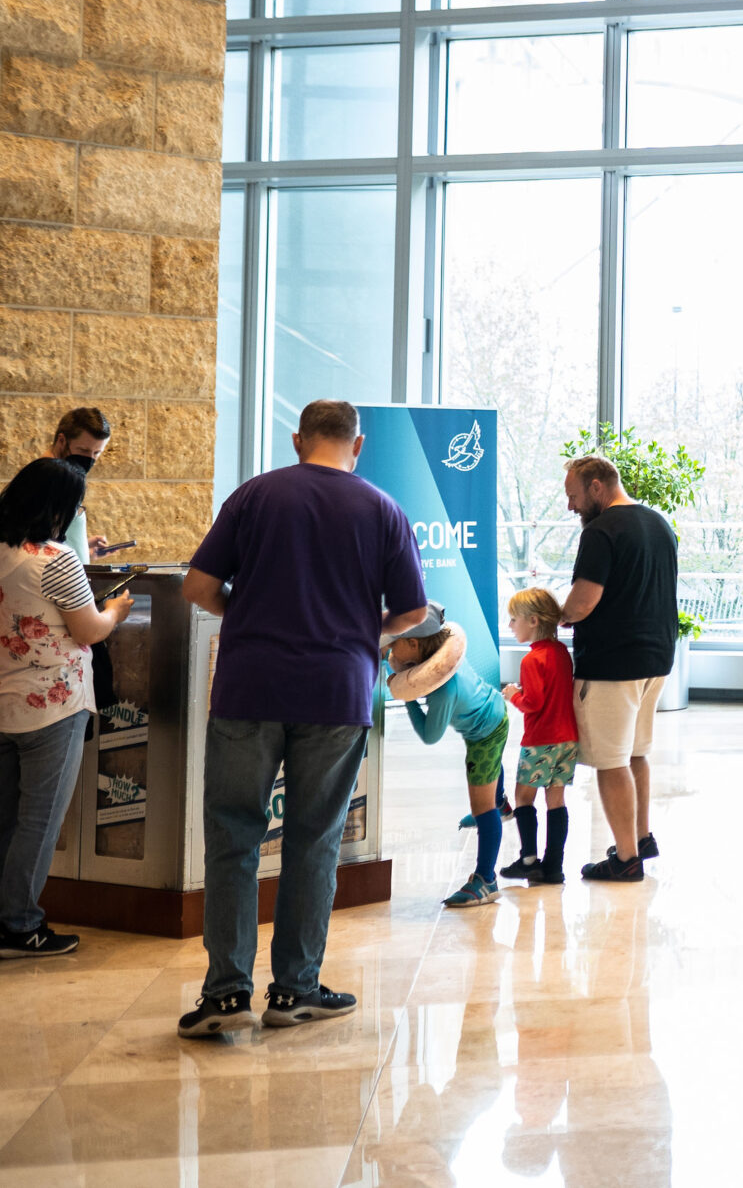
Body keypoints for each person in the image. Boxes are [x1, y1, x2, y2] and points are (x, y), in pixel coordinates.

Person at [180, 400, 429, 1036]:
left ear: (297, 439)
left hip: (249, 687)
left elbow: (198, 587)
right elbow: (411, 613)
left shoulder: (255, 496)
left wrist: (247, 614)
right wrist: (360, 633)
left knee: (233, 837)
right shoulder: (382, 509)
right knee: (313, 840)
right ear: (359, 443)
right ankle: (294, 992)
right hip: (336, 693)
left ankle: (225, 996)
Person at [0, 458, 134, 959]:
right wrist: (116, 609)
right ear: (58, 507)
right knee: (40, 820)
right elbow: (88, 630)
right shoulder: (55, 559)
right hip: (53, 706)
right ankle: (20, 925)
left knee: (6, 819)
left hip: (4, 699)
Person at [557, 455, 680, 883]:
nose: (571, 506)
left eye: (573, 495)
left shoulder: (601, 531)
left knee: (611, 761)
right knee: (636, 752)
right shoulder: (658, 523)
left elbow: (584, 601)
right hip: (657, 657)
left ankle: (626, 858)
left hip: (613, 663)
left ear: (596, 487)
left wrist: (557, 614)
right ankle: (641, 838)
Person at [383, 616, 513, 909]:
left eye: (394, 643)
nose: (390, 650)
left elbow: (431, 735)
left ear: (414, 644)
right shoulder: (442, 659)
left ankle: (486, 880)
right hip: (494, 708)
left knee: (482, 807)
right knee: (492, 773)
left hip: (485, 733)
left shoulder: (443, 689)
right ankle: (501, 800)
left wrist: (409, 697)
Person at [500, 588, 576, 885]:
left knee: (523, 797)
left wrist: (513, 695)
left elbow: (533, 703)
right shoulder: (560, 653)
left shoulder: (532, 660)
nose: (510, 625)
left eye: (514, 619)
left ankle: (529, 861)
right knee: (556, 799)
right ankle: (554, 866)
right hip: (568, 738)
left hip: (540, 740)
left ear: (532, 621)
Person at [48, 407, 117, 562]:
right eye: (83, 450)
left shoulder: (66, 476)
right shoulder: (48, 478)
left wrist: (83, 549)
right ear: (61, 441)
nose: (89, 459)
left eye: (96, 453)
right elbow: (32, 546)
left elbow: (52, 539)